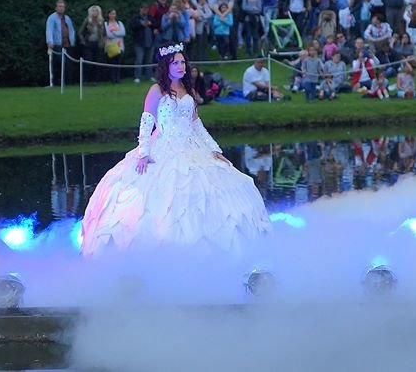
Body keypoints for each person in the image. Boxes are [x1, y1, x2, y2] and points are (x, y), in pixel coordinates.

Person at [80, 42, 272, 256]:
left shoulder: (188, 89)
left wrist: (213, 148)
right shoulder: (157, 90)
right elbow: (147, 121)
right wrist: (144, 152)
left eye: (183, 62)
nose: (181, 66)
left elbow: (196, 123)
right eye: (176, 63)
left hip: (192, 146)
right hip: (164, 144)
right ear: (166, 66)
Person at [45, 0, 76, 86]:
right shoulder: (52, 18)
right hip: (57, 44)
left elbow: (71, 30)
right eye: (59, 6)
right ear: (56, 8)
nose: (61, 8)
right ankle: (59, 82)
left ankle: (69, 82)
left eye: (63, 7)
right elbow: (49, 30)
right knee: (62, 63)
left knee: (69, 64)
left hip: (67, 44)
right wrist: (50, 41)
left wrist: (72, 41)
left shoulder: (67, 18)